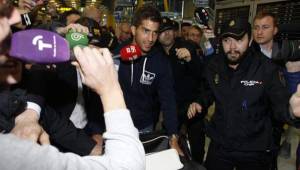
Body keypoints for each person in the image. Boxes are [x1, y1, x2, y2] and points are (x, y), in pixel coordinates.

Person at [0, 1, 145, 169]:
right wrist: (110, 90)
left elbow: (47, 116)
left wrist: (29, 114)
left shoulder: (13, 102)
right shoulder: (12, 153)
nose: (18, 15)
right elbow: (127, 165)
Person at [187, 18, 299, 170]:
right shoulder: (215, 65)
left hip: (254, 149)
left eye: (239, 40)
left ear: (250, 39)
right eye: (227, 40)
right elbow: (208, 90)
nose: (232, 47)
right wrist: (200, 102)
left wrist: (292, 111)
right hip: (221, 144)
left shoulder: (267, 69)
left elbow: (280, 104)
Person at [116, 6, 183, 155]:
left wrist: (173, 136)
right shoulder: (116, 55)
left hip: (144, 127)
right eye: (146, 31)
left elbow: (168, 100)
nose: (151, 39)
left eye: (155, 33)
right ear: (134, 30)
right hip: (114, 126)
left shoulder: (161, 62)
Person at [252, 10, 300, 169]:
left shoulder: (287, 53)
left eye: (265, 27)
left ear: (275, 30)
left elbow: (292, 92)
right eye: (256, 27)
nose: (259, 32)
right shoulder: (247, 55)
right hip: (254, 119)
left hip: (276, 120)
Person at [158, 16, 205, 163]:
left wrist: (191, 59)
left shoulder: (187, 46)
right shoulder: (155, 53)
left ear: (174, 32)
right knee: (169, 146)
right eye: (162, 31)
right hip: (170, 108)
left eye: (169, 30)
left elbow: (202, 75)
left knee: (197, 146)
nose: (167, 34)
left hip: (191, 105)